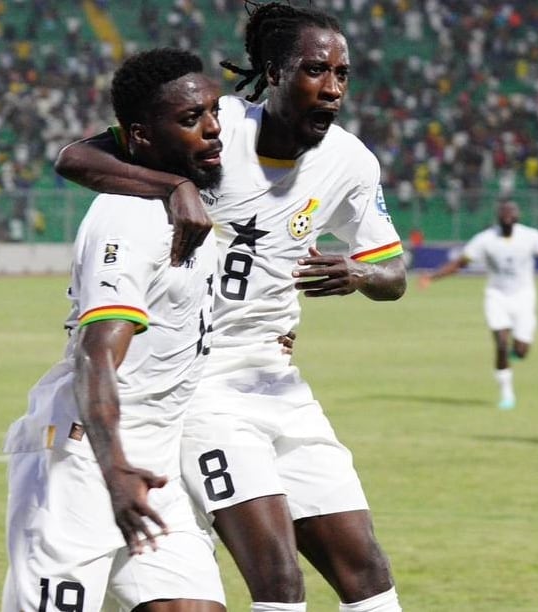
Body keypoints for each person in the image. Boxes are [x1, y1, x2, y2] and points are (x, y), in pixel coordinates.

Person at [55, 4, 406, 611]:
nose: (333, 88)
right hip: (205, 382)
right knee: (277, 578)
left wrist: (360, 272)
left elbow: (395, 275)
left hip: (279, 382)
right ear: (273, 71)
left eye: (342, 74)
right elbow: (74, 157)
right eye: (316, 71)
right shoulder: (214, 130)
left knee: (367, 572)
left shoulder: (352, 163)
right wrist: (174, 186)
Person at [1, 49, 227, 611]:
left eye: (214, 111)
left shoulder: (198, 185)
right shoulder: (127, 217)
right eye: (191, 118)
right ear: (141, 138)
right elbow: (96, 354)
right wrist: (114, 469)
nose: (214, 128)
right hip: (87, 458)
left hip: (156, 459)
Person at [420, 199, 538, 409]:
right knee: (500, 342)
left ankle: (513, 354)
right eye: (504, 214)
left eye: (512, 213)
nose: (508, 217)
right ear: (498, 217)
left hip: (524, 296)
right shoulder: (485, 239)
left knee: (521, 350)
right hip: (496, 296)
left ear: (518, 217)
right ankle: (506, 393)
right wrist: (433, 277)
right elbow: (459, 264)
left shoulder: (530, 236)